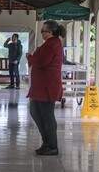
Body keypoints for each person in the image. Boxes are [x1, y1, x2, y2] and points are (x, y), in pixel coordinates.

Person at [26, 20, 65, 156]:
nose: (42, 33)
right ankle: (46, 143)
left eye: (43, 31)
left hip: (47, 87)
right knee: (35, 111)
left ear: (51, 32)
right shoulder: (50, 43)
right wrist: (35, 56)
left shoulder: (52, 43)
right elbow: (40, 59)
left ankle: (52, 146)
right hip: (42, 86)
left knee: (47, 116)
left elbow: (42, 61)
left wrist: (30, 57)